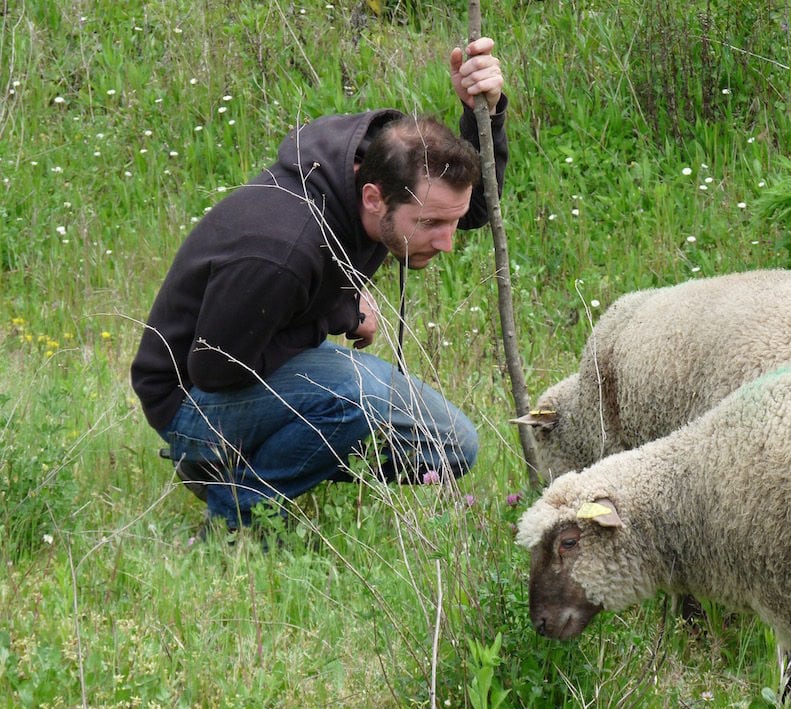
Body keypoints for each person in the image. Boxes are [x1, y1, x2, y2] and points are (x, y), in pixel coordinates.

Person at [130, 38, 508, 534]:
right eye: (431, 222)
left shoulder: (370, 177)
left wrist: (485, 111)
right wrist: (343, 312)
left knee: (453, 446)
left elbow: (477, 206)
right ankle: (235, 513)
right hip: (192, 403)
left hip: (239, 376)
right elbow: (217, 368)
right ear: (373, 198)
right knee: (359, 399)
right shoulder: (282, 250)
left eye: (449, 222)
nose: (448, 241)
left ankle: (265, 469)